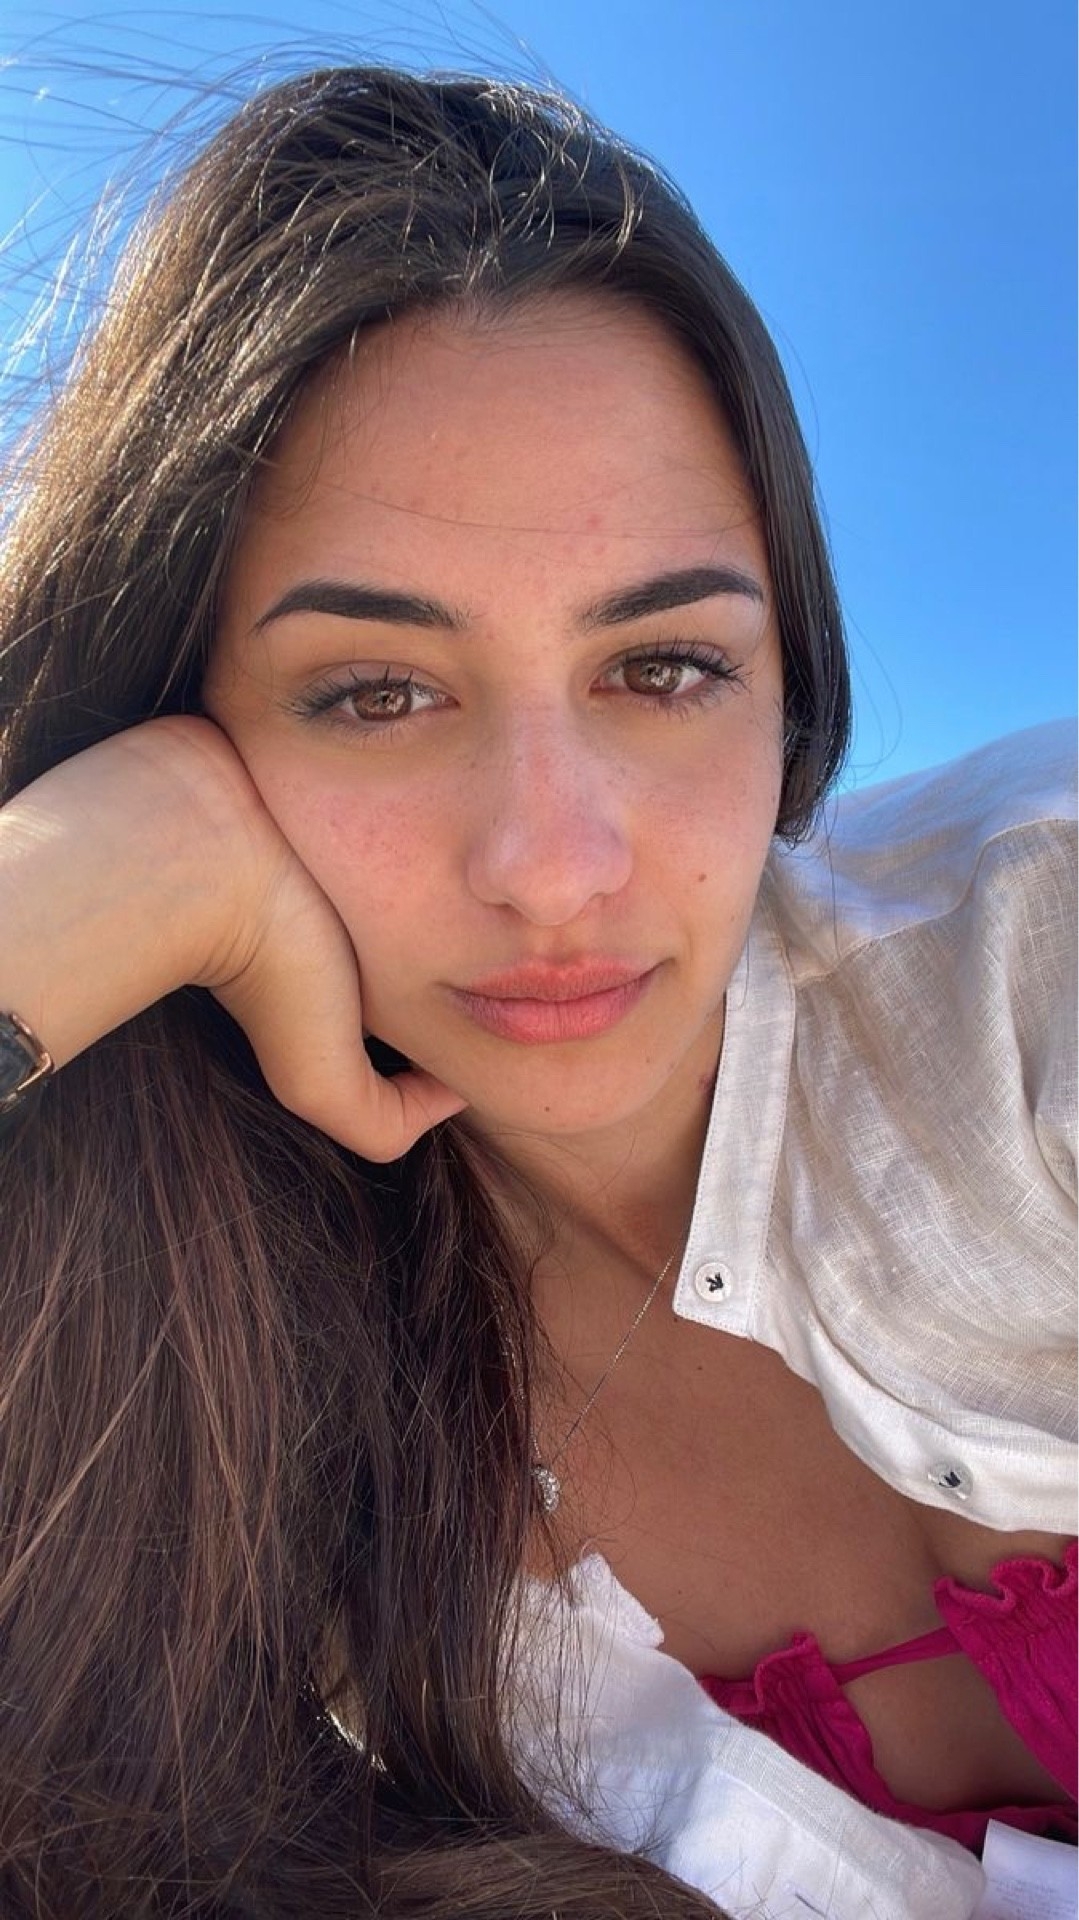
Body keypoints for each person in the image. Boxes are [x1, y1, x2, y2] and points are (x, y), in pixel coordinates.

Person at [0, 62, 1073, 1920]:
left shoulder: (1027, 963)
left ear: (792, 689)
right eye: (374, 694)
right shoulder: (214, 1390)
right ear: (181, 722)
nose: (554, 865)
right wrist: (51, 899)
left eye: (662, 668)